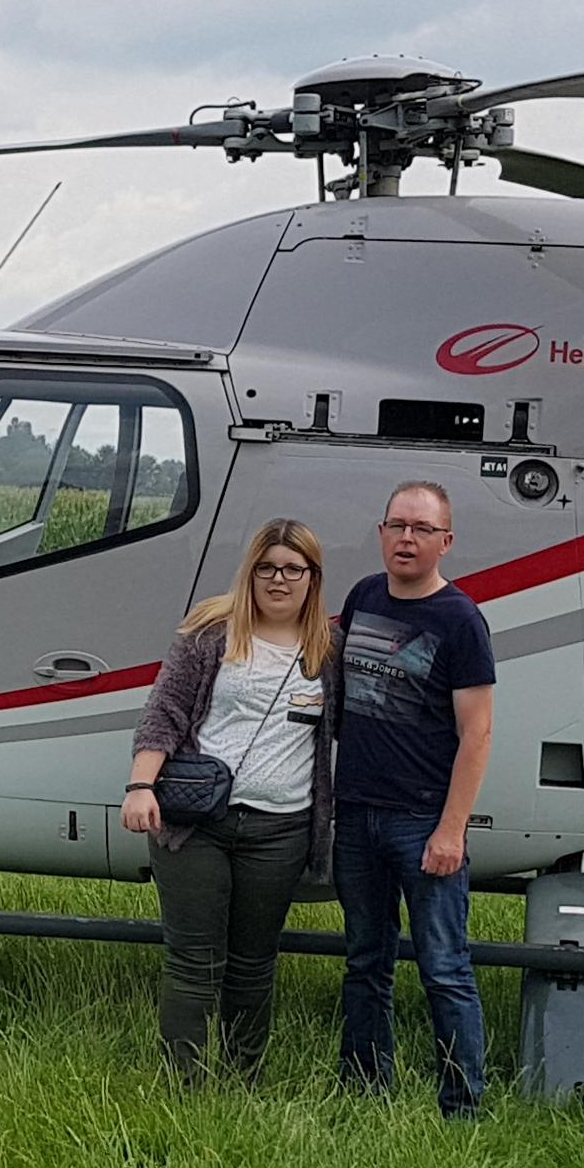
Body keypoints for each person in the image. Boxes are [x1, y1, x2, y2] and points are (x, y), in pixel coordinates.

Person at [123, 519, 339, 1083]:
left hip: (282, 830)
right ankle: (183, 1084)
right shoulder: (211, 632)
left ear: (313, 578)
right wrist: (141, 786)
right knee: (193, 961)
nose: (278, 579)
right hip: (198, 824)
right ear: (251, 571)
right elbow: (164, 713)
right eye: (266, 567)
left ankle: (245, 1079)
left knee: (252, 963)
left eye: (293, 569)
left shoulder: (328, 650)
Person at [331, 478, 498, 1116]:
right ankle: (365, 1089)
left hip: (422, 821)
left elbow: (477, 734)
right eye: (397, 525)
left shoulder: (460, 621)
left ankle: (462, 1104)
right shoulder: (365, 596)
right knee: (365, 961)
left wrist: (451, 831)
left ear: (445, 542)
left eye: (421, 529)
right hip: (356, 815)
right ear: (380, 533)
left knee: (444, 969)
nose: (406, 538)